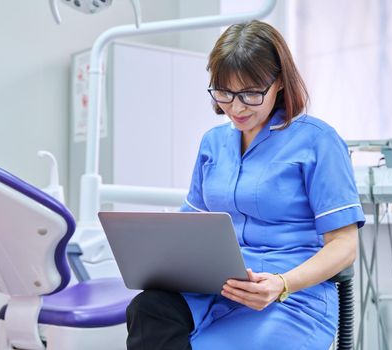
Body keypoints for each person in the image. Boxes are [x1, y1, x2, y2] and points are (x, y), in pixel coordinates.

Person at [125, 20, 365, 350]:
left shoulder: (318, 141)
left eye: (251, 93)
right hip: (214, 290)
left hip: (289, 298)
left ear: (279, 82)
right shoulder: (213, 142)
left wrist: (281, 284)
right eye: (224, 92)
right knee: (148, 309)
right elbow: (190, 225)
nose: (236, 108)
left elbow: (344, 244)